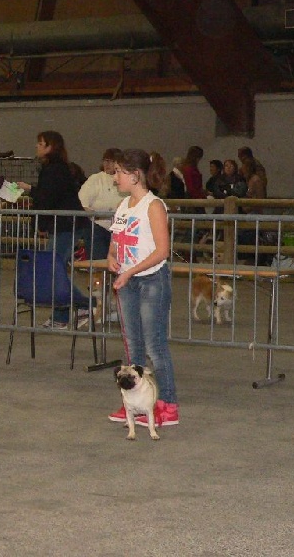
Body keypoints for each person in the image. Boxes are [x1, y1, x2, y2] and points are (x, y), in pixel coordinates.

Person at [107, 148, 178, 427]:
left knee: (154, 345)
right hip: (127, 280)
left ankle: (168, 404)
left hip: (151, 280)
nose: (115, 178)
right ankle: (134, 405)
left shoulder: (154, 206)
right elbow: (115, 242)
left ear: (135, 175)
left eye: (119, 173)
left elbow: (162, 250)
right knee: (132, 344)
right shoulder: (123, 206)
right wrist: (113, 258)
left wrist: (131, 271)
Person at [16, 130, 87, 329]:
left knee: (52, 269)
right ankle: (62, 315)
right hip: (62, 224)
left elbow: (48, 198)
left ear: (50, 147)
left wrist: (30, 191)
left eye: (41, 144)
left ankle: (82, 304)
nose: (37, 147)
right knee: (53, 269)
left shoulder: (55, 169)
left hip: (66, 224)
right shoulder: (55, 168)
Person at [77, 148, 127, 260]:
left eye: (112, 161)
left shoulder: (125, 180)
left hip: (120, 227)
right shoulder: (95, 179)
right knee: (98, 263)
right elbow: (81, 203)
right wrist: (95, 214)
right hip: (97, 226)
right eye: (105, 160)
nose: (108, 164)